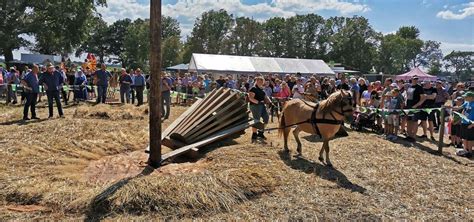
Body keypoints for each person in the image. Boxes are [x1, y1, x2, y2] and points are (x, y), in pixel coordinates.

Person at [248, 76, 270, 142]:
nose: (260, 82)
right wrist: (258, 102)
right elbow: (250, 98)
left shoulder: (262, 89)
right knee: (256, 120)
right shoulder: (253, 89)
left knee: (266, 118)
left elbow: (265, 97)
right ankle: (254, 134)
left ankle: (260, 133)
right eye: (259, 80)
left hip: (262, 105)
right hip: (255, 106)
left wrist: (270, 102)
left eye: (261, 80)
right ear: (256, 81)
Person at [405, 76, 424, 142]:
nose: (415, 80)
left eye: (416, 79)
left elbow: (422, 98)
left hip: (415, 107)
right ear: (411, 80)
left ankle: (413, 136)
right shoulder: (410, 87)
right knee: (409, 121)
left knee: (415, 121)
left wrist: (416, 105)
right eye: (414, 79)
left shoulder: (419, 87)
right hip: (409, 106)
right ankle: (409, 135)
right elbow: (407, 96)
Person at [457, 92, 474, 157]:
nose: (465, 98)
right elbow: (459, 108)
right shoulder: (466, 103)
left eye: (466, 97)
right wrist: (450, 107)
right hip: (464, 123)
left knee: (470, 139)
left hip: (470, 124)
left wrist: (472, 125)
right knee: (464, 138)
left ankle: (470, 152)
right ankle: (465, 150)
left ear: (471, 97)